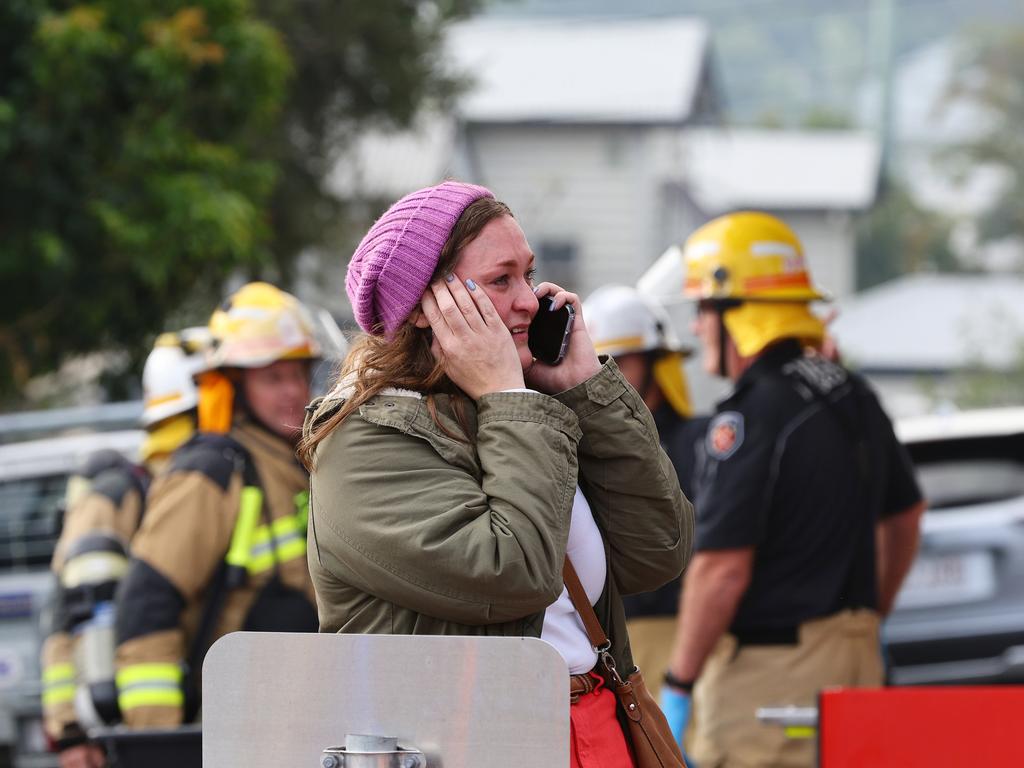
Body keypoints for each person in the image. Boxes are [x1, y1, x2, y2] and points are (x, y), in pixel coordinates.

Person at [299, 181, 693, 768]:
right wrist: (510, 398)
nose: (531, 301)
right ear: (426, 307)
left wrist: (587, 394)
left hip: (592, 730)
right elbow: (514, 573)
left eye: (528, 276)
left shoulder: (526, 413)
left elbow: (657, 550)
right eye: (501, 279)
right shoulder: (364, 441)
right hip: (478, 746)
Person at [663, 212, 926, 768]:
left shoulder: (751, 416)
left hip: (771, 685)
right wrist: (868, 616)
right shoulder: (851, 393)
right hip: (858, 667)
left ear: (737, 312)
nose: (696, 328)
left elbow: (722, 569)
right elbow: (905, 517)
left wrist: (679, 683)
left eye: (703, 310)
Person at [113, 282, 320, 730]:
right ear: (234, 386)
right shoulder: (211, 470)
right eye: (273, 377)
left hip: (292, 713)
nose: (294, 391)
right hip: (234, 724)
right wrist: (160, 743)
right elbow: (148, 603)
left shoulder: (294, 460)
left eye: (299, 373)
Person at [40, 329, 209, 768]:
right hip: (121, 735)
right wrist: (72, 733)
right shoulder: (119, 496)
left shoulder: (208, 488)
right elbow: (67, 617)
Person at [582, 285, 708, 690]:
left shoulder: (701, 443)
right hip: (604, 639)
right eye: (596, 362)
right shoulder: (577, 445)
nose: (606, 375)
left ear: (656, 363)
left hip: (676, 635)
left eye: (617, 361)